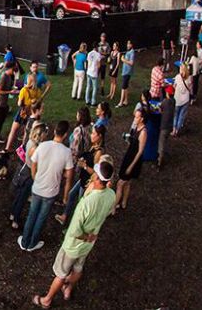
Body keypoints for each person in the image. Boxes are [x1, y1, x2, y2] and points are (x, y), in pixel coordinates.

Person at [32, 162, 116, 309]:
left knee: (61, 273)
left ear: (96, 178)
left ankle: (47, 300)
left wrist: (85, 236)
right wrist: (90, 237)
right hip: (89, 243)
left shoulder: (86, 203)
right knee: (78, 268)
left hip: (73, 245)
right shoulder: (111, 195)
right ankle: (68, 289)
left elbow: (75, 232)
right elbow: (108, 211)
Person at [19, 120, 73, 252]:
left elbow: (33, 163)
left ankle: (25, 241)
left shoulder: (43, 146)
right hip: (51, 192)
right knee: (41, 218)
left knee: (32, 215)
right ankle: (32, 243)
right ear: (66, 134)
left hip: (37, 188)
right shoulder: (67, 152)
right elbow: (69, 177)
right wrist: (66, 196)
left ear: (55, 131)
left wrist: (35, 177)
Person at [114, 108, 147, 214]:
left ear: (142, 119)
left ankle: (113, 207)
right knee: (127, 183)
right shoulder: (136, 128)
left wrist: (131, 166)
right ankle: (123, 203)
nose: (135, 119)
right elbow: (133, 144)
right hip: (129, 155)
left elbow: (140, 151)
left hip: (133, 160)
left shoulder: (143, 132)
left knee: (120, 183)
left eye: (137, 117)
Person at [157, 87, 175, 169]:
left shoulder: (165, 102)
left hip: (164, 126)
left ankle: (160, 161)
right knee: (165, 140)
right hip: (170, 125)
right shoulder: (174, 101)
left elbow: (160, 109)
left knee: (161, 143)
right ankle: (163, 154)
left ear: (167, 93)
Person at [172, 63, 191, 136]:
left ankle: (174, 130)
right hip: (186, 100)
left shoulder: (177, 77)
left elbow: (174, 86)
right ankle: (177, 130)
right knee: (181, 116)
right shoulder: (189, 78)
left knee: (175, 115)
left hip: (177, 99)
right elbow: (190, 88)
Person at [117, 40, 135, 107]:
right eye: (127, 44)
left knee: (123, 87)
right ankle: (126, 101)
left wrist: (123, 59)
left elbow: (131, 63)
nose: (127, 45)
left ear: (131, 45)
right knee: (126, 86)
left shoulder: (132, 52)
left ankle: (121, 102)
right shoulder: (128, 51)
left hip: (128, 72)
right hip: (125, 71)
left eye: (129, 44)